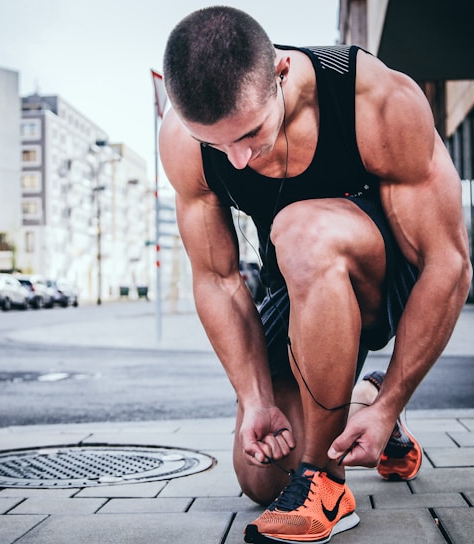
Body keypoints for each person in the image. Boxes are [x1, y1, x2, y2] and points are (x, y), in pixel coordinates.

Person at [159, 6, 471, 544]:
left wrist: (400, 393)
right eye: (217, 145)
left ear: (281, 73)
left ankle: (325, 484)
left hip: (384, 277)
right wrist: (255, 398)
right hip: (297, 285)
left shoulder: (371, 97)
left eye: (251, 133)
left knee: (300, 229)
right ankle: (362, 406)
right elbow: (218, 279)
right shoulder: (184, 138)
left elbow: (449, 263)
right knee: (260, 475)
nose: (235, 160)